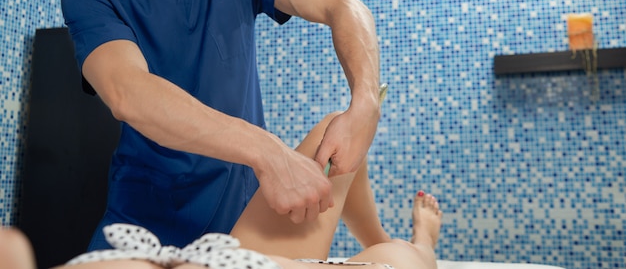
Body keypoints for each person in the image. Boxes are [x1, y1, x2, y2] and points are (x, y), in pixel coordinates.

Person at [60, 0, 381, 251]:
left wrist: (366, 102)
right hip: (141, 226)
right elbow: (129, 92)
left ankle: (394, 242)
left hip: (245, 224)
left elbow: (344, 7)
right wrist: (267, 150)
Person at [1, 111, 443, 269]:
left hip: (225, 258)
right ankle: (420, 241)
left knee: (338, 134)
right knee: (409, 260)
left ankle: (377, 239)